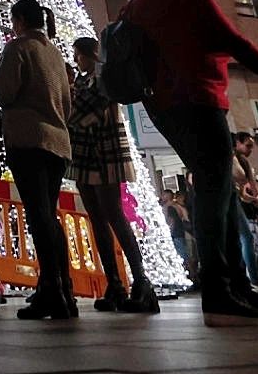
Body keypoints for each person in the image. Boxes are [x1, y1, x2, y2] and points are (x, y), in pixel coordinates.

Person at [121, 0, 258, 326]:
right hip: (200, 101)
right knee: (213, 195)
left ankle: (236, 286)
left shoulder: (134, 9)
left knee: (218, 194)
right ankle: (220, 294)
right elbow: (236, 44)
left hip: (163, 110)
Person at [0, 0, 75, 321]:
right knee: (48, 215)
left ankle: (53, 291)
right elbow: (67, 102)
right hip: (57, 143)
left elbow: (5, 93)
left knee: (38, 216)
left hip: (28, 140)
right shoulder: (55, 53)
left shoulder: (17, 49)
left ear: (19, 20)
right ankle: (60, 287)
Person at [67, 37, 155, 313]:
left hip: (104, 150)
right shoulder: (83, 81)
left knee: (113, 213)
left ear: (88, 53)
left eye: (78, 55)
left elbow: (83, 111)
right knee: (97, 218)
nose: (76, 60)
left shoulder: (105, 77)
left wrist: (69, 97)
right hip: (85, 154)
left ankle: (140, 281)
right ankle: (115, 283)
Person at [231, 132, 258, 288]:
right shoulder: (233, 159)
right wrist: (254, 197)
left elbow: (246, 189)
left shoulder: (242, 161)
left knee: (246, 240)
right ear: (237, 144)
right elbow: (244, 183)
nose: (250, 150)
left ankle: (251, 277)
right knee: (246, 239)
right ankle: (253, 278)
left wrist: (255, 198)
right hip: (234, 202)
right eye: (247, 145)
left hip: (238, 201)